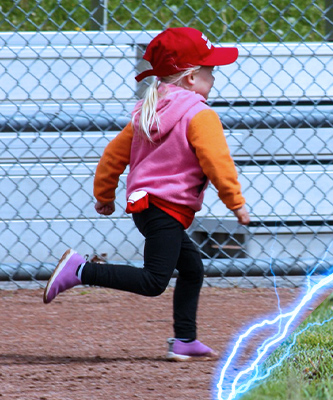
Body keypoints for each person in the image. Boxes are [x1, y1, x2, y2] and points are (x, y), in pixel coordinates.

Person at [42, 27, 251, 362]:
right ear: (192, 78)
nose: (213, 80)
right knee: (154, 281)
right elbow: (217, 162)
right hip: (165, 209)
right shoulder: (201, 115)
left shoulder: (146, 111)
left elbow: (113, 155)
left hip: (148, 207)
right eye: (210, 73)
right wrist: (236, 203)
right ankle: (80, 270)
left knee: (192, 268)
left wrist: (105, 194)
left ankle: (184, 340)